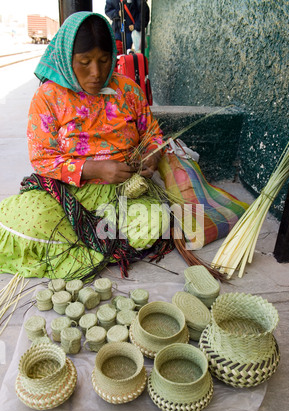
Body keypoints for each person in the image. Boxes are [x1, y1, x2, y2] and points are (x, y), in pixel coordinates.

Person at [0, 11, 171, 281]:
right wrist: (94, 169)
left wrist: (152, 155)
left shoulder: (127, 91)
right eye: (84, 62)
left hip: (124, 192)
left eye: (104, 61)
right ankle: (98, 242)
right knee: (23, 223)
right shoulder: (48, 97)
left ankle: (82, 243)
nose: (96, 73)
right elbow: (43, 158)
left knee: (156, 221)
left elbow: (152, 134)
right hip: (68, 193)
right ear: (67, 59)